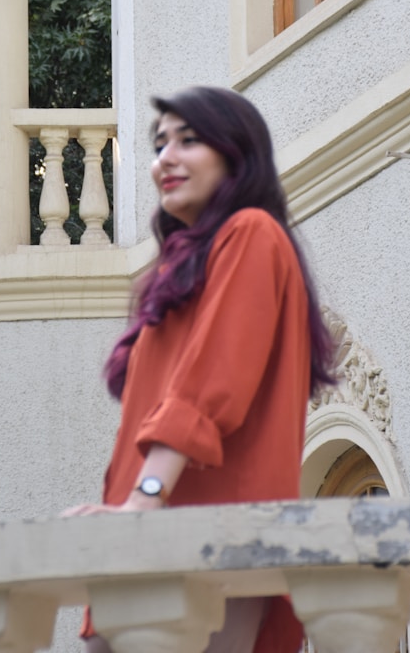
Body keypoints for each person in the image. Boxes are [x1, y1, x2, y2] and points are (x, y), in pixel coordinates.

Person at [65, 86, 337, 653]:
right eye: (160, 144)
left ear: (237, 154)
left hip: (208, 534)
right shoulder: (180, 267)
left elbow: (212, 384)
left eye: (188, 141)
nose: (166, 158)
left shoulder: (252, 233)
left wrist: (144, 500)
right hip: (146, 531)